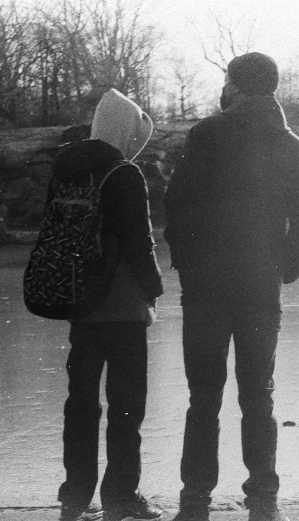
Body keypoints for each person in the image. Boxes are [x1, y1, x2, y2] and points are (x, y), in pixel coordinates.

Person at [164, 52, 299, 521]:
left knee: (203, 394)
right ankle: (262, 495)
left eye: (226, 81)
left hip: (207, 287)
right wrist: (281, 270)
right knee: (258, 392)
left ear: (235, 85)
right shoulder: (294, 146)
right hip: (259, 287)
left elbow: (177, 204)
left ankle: (195, 498)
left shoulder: (207, 134)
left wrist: (191, 265)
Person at [55, 89, 164, 521]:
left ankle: (74, 497)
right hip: (122, 309)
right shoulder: (124, 173)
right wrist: (154, 289)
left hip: (81, 303)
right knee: (125, 407)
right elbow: (141, 243)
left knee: (79, 404)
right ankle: (120, 496)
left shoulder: (67, 168)